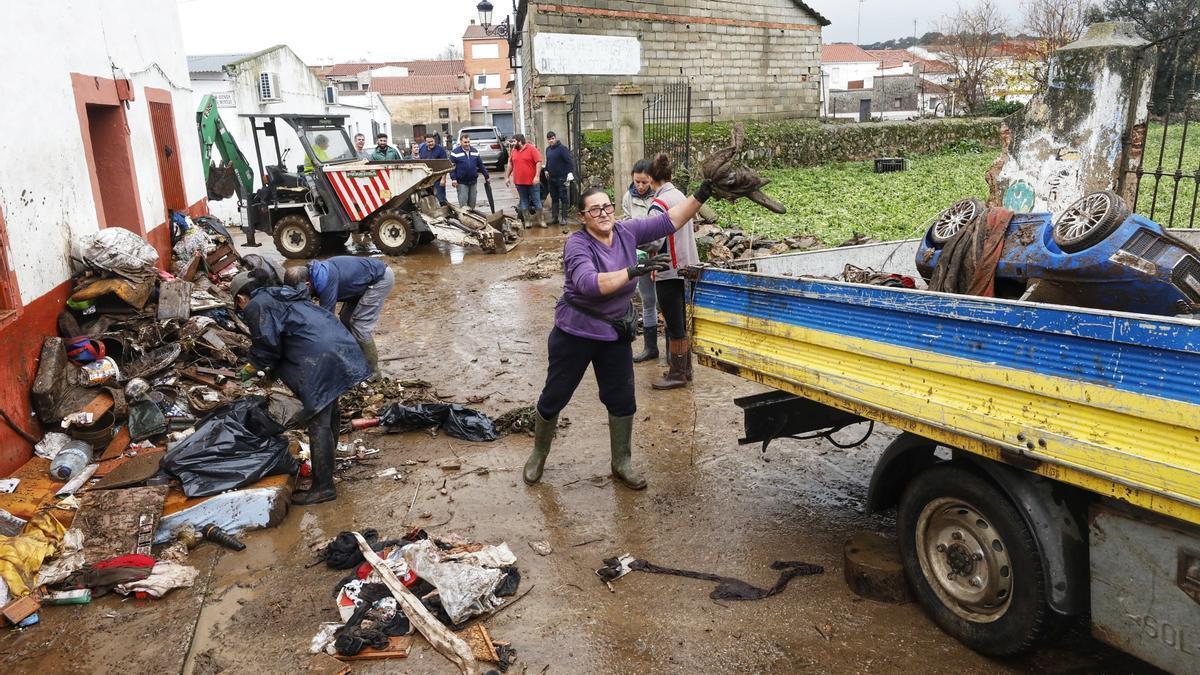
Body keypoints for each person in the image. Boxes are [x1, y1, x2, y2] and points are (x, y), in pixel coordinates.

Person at [523, 177, 722, 490]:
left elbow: (671, 220)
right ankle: (538, 452)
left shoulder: (626, 231)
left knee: (622, 399)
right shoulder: (577, 245)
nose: (603, 214)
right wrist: (631, 271)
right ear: (582, 217)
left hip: (613, 334)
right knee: (555, 396)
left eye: (607, 207)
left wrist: (703, 192)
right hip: (574, 334)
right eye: (595, 210)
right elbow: (590, 284)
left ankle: (621, 462)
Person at [230, 269, 370, 505]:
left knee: (318, 423)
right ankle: (326, 472)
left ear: (242, 297)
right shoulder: (281, 294)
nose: (241, 309)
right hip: (339, 346)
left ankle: (323, 487)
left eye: (239, 304)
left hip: (319, 358)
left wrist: (249, 369)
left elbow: (267, 347)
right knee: (330, 412)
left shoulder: (257, 305)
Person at [282, 256, 395, 378]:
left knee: (360, 325)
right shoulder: (311, 274)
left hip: (380, 279)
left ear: (307, 284)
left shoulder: (325, 281)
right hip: (359, 283)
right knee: (346, 319)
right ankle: (356, 360)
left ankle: (373, 373)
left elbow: (326, 322)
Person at [645, 154, 701, 390]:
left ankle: (677, 373)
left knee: (674, 324)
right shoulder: (681, 196)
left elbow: (654, 242)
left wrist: (636, 238)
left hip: (669, 270)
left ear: (651, 179)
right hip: (689, 267)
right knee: (683, 322)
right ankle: (686, 369)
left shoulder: (658, 205)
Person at [621, 159, 660, 362]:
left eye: (644, 182)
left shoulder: (659, 196)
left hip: (660, 253)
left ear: (651, 180)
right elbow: (628, 224)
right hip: (641, 254)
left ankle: (674, 347)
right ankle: (650, 347)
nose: (640, 186)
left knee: (665, 300)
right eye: (637, 181)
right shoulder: (628, 197)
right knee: (647, 299)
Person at [505, 133, 544, 225]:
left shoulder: (531, 149)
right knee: (523, 202)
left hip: (532, 182)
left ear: (519, 141)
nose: (513, 144)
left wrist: (537, 176)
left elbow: (538, 162)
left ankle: (541, 221)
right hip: (519, 182)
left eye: (514, 141)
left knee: (537, 201)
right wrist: (506, 177)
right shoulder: (514, 151)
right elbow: (510, 164)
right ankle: (527, 221)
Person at [448, 132, 490, 209]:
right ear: (460, 142)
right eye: (465, 142)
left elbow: (481, 165)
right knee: (464, 205)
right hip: (461, 182)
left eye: (468, 142)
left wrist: (486, 176)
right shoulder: (455, 153)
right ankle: (464, 219)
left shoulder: (475, 151)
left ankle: (472, 220)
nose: (467, 144)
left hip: (473, 181)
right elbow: (451, 168)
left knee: (472, 204)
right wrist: (453, 179)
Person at [543, 131, 575, 226]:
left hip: (561, 177)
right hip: (551, 178)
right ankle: (555, 218)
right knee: (554, 198)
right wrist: (546, 170)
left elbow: (569, 162)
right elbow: (548, 161)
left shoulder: (562, 149)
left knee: (563, 197)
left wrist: (569, 173)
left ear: (555, 138)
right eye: (549, 139)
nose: (551, 141)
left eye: (552, 138)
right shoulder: (548, 149)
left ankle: (564, 218)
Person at [418, 135, 449, 204]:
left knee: (441, 199)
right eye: (428, 142)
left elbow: (445, 165)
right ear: (425, 142)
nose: (430, 143)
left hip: (438, 179)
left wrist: (443, 179)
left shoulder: (440, 150)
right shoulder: (422, 149)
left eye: (432, 141)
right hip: (426, 179)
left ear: (434, 140)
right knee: (428, 199)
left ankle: (445, 212)